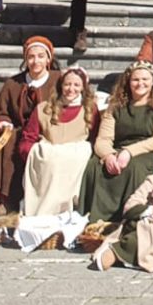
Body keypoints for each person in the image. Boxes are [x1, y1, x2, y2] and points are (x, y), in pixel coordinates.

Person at [79, 61, 153, 222]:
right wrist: (108, 155)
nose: (140, 84)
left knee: (133, 168)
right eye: (135, 80)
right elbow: (103, 139)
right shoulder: (116, 105)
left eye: (145, 79)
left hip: (147, 151)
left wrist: (129, 152)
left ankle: (128, 217)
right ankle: (95, 220)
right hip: (117, 148)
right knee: (94, 167)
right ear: (128, 82)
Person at [0, 36, 60, 215]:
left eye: (40, 56)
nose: (35, 61)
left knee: (16, 140)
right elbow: (0, 110)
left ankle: (9, 199)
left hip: (46, 131)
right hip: (16, 129)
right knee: (4, 138)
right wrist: (1, 121)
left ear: (48, 59)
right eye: (31, 57)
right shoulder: (13, 83)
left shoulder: (58, 80)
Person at [20, 67, 97, 217]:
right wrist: (33, 153)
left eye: (76, 85)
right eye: (67, 84)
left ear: (83, 88)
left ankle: (67, 207)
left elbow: (95, 138)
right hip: (48, 157)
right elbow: (28, 137)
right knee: (52, 162)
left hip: (75, 159)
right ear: (61, 85)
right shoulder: (43, 109)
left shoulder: (89, 110)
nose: (71, 89)